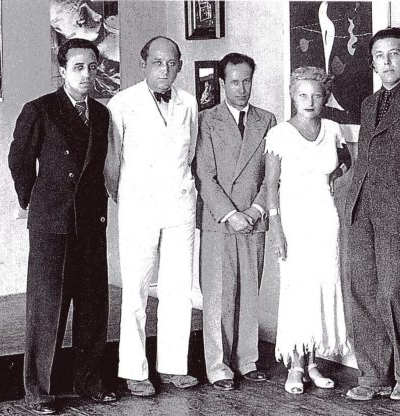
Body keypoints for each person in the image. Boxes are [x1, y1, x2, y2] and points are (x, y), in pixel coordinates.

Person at [7, 38, 118, 415]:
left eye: (91, 67)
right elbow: (19, 162)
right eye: (78, 68)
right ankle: (39, 389)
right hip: (52, 224)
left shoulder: (101, 115)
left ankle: (89, 382)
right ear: (62, 70)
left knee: (92, 307)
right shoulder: (40, 110)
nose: (86, 75)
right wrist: (33, 202)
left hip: (90, 223)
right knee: (47, 307)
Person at [342, 28, 400, 402]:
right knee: (362, 290)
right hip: (362, 205)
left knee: (398, 291)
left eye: (394, 54)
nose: (386, 62)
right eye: (379, 55)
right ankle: (373, 375)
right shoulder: (368, 103)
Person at [105, 36, 200, 397]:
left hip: (179, 204)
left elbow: (189, 153)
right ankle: (134, 369)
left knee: (178, 288)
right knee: (136, 288)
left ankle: (174, 365)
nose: (165, 70)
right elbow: (112, 164)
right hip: (138, 206)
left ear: (178, 66)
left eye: (172, 63)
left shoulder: (189, 104)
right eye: (158, 62)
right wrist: (126, 197)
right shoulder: (122, 104)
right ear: (144, 63)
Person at [263, 66, 351, 394]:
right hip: (293, 222)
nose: (309, 101)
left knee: (321, 289)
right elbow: (271, 186)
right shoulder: (279, 135)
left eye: (316, 95)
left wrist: (333, 176)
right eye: (302, 95)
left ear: (325, 97)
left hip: (326, 220)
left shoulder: (332, 129)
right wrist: (277, 229)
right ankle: (295, 366)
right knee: (298, 292)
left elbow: (347, 164)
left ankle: (312, 362)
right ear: (292, 96)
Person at [194, 52, 278, 391]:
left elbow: (272, 174)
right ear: (222, 83)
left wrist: (256, 210)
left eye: (247, 81)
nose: (242, 88)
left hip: (254, 220)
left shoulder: (267, 120)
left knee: (249, 291)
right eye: (234, 82)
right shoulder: (206, 120)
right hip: (220, 220)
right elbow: (204, 175)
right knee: (219, 294)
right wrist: (231, 213)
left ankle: (247, 361)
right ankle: (218, 367)